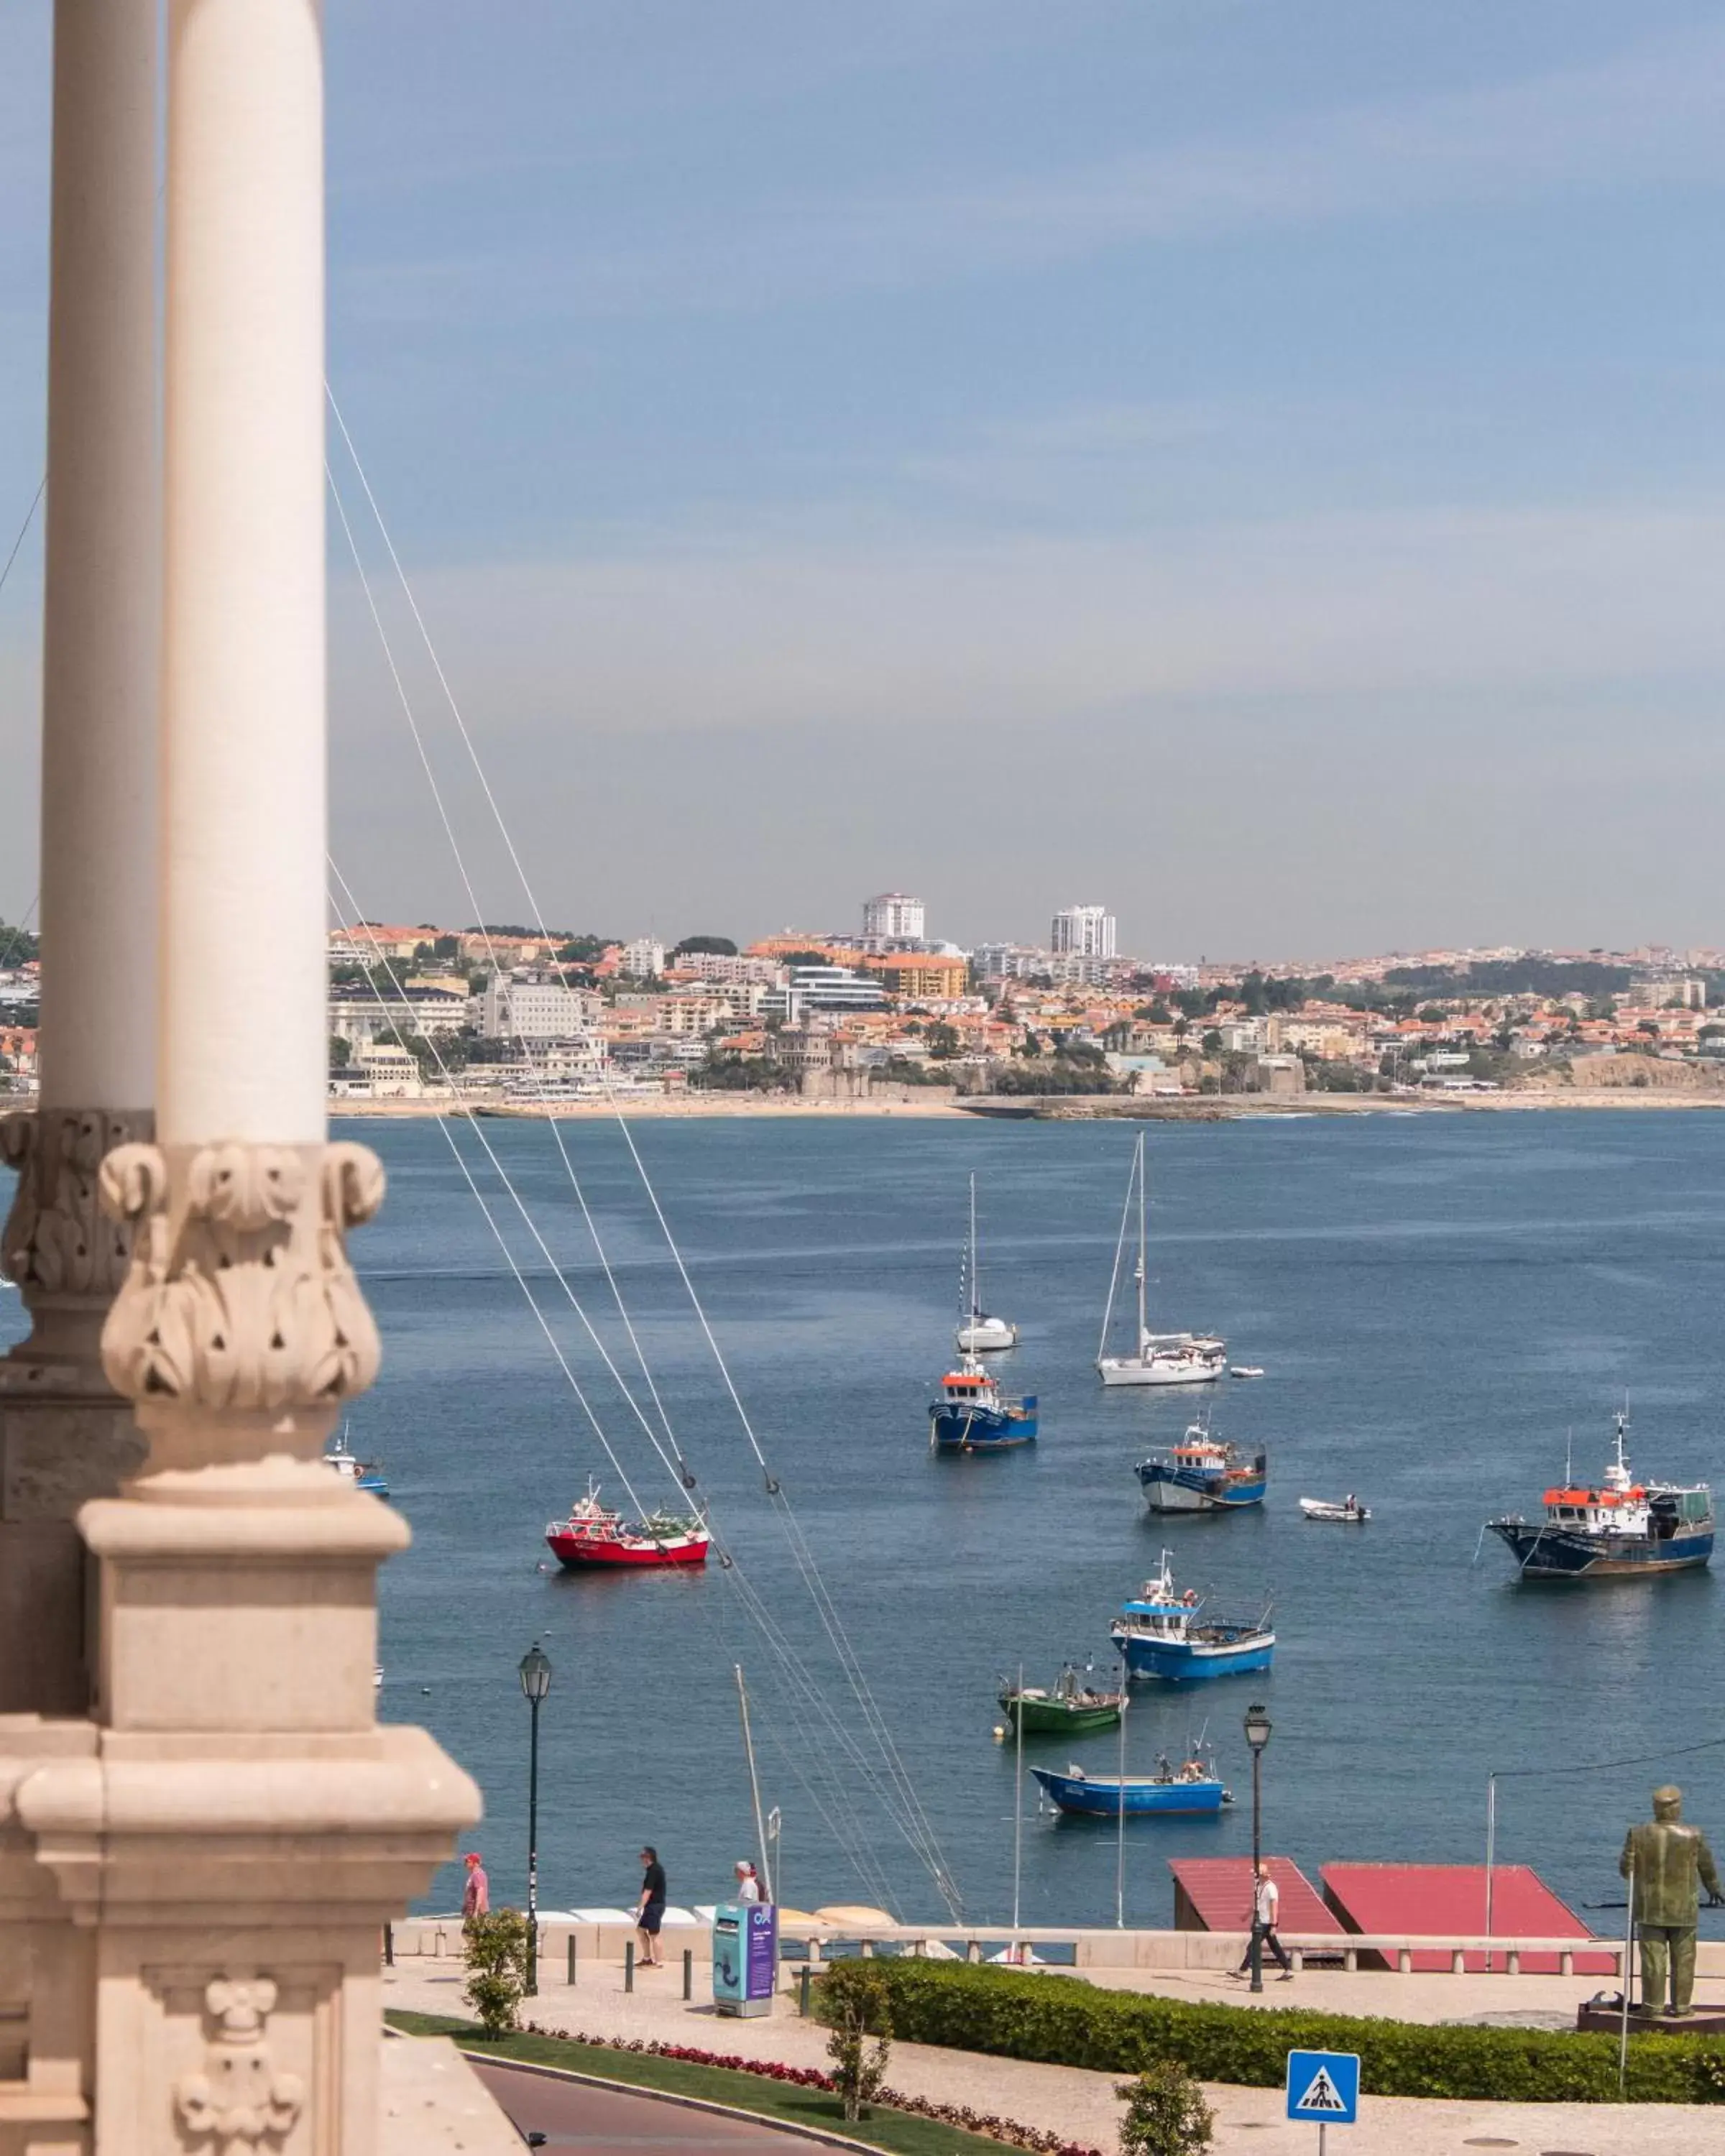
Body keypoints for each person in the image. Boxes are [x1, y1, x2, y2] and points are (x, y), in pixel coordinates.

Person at [1622, 1784, 1724, 2016]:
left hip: (1650, 1909)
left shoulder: (1637, 1834)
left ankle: (1652, 2007)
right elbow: (1707, 1868)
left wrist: (1630, 1861)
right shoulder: (1694, 1835)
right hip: (1684, 1910)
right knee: (1684, 1961)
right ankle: (1682, 2006)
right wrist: (1715, 1889)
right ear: (1676, 1808)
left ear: (1655, 1808)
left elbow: (1625, 1870)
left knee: (1653, 1962)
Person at [1236, 1863, 1294, 1980]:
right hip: (1261, 1921)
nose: (1254, 1876)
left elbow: (1274, 1907)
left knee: (1252, 1947)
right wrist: (1246, 1916)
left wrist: (1274, 1925)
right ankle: (1288, 1970)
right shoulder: (1259, 1886)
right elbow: (1256, 1904)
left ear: (1262, 1875)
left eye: (1256, 1874)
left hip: (1266, 1922)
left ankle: (1242, 1971)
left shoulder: (1271, 1888)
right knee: (1274, 1947)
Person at [635, 1845, 668, 1968]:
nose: (641, 1860)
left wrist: (640, 1907)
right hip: (651, 1906)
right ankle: (647, 1958)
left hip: (655, 1906)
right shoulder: (654, 1870)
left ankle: (658, 1962)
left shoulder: (654, 1871)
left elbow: (648, 1891)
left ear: (648, 1857)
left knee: (654, 1934)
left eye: (643, 1857)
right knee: (640, 1930)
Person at [461, 1852, 489, 1925]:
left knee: (470, 1933)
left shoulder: (478, 1875)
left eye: (468, 1861)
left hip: (477, 1911)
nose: (465, 1863)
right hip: (471, 1910)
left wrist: (476, 1911)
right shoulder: (474, 1875)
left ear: (475, 1863)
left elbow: (480, 1892)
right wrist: (465, 1906)